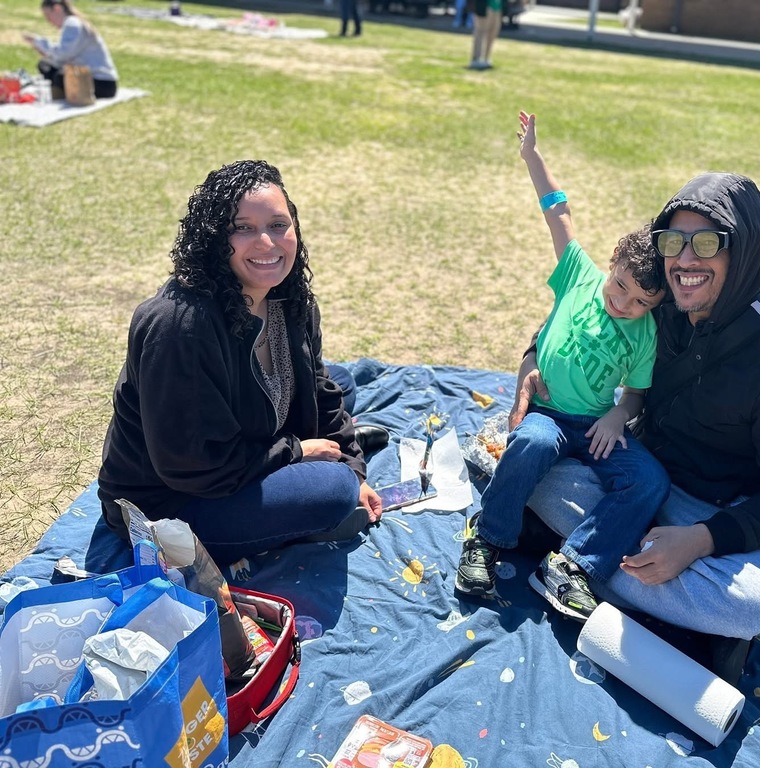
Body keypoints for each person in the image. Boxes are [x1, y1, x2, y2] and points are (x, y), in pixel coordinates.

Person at [519, 172, 760, 644]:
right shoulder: (656, 304)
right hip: (641, 477)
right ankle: (598, 565)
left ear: (744, 249)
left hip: (727, 513)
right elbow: (578, 321)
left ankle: (582, 558)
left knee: (749, 608)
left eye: (708, 243)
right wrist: (530, 362)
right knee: (527, 460)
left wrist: (701, 540)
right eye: (674, 242)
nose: (686, 260)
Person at [98, 160, 384, 565]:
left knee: (341, 384)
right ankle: (311, 498)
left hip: (237, 449)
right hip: (172, 503)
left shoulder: (289, 297)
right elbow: (193, 468)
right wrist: (298, 452)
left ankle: (321, 469)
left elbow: (320, 387)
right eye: (244, 228)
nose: (266, 243)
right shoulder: (180, 326)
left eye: (278, 225)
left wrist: (355, 467)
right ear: (215, 239)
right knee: (333, 489)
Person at [455, 112, 671, 622]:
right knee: (528, 442)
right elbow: (558, 212)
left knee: (650, 480)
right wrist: (532, 155)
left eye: (642, 301)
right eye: (621, 287)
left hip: (595, 425)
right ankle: (486, 539)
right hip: (548, 412)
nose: (625, 305)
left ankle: (573, 565)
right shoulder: (578, 274)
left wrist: (619, 416)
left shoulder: (647, 333)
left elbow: (636, 392)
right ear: (612, 261)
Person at [22, 0, 118, 100]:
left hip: (101, 83)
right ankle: (60, 92)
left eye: (48, 16)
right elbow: (65, 56)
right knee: (45, 66)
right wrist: (46, 53)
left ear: (57, 8)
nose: (49, 21)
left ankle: (59, 93)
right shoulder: (74, 22)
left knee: (57, 75)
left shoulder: (72, 24)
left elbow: (63, 55)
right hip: (101, 82)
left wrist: (40, 43)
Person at [468, 0, 501, 70]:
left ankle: (486, 58)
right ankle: (476, 58)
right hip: (484, 5)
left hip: (497, 6)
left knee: (492, 33)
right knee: (480, 31)